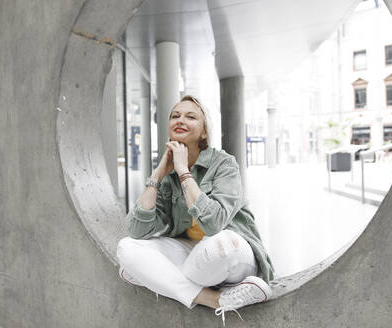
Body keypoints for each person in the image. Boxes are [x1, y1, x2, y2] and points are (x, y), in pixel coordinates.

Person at [116, 95, 275, 324]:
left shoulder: (224, 164)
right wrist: (158, 174)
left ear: (204, 132)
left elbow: (213, 224)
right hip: (192, 252)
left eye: (191, 116)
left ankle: (157, 277)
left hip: (233, 250)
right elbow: (137, 230)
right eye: (175, 116)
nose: (180, 120)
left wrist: (184, 172)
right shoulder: (167, 174)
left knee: (218, 247)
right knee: (127, 248)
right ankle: (215, 299)